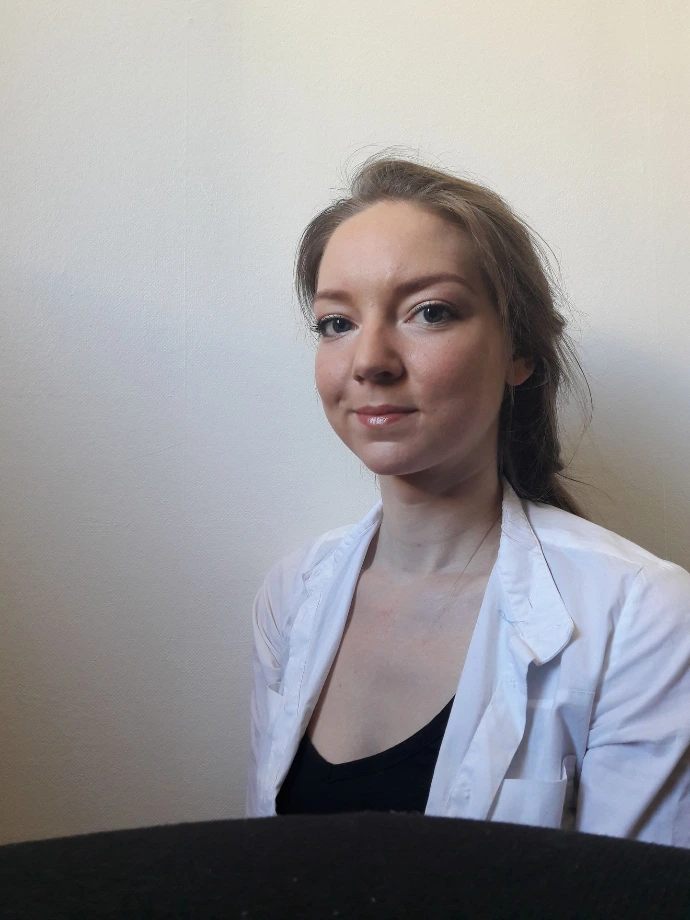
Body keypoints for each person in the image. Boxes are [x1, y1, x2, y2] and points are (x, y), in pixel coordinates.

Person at [245, 155, 690, 847]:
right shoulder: (290, 594)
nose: (369, 360)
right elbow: (258, 866)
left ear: (520, 353)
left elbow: (638, 893)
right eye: (336, 322)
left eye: (430, 312)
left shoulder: (644, 615)